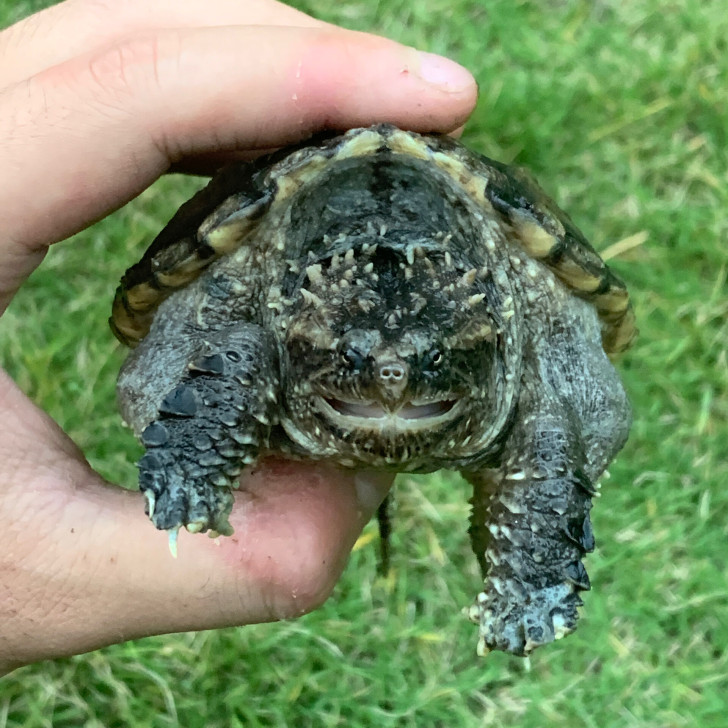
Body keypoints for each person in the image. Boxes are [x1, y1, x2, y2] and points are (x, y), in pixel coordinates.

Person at [0, 0, 477, 676]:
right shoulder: (253, 293)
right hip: (250, 296)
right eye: (352, 357)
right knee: (232, 355)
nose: (391, 379)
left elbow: (577, 409)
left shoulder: (518, 309)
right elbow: (172, 371)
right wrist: (197, 444)